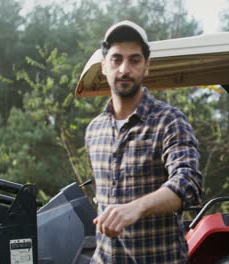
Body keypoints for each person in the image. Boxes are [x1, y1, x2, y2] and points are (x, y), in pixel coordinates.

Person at [84, 20, 202, 263]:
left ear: (147, 66)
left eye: (134, 60)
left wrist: (135, 208)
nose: (124, 69)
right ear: (104, 66)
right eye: (116, 59)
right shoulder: (94, 131)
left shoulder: (169, 121)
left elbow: (188, 182)